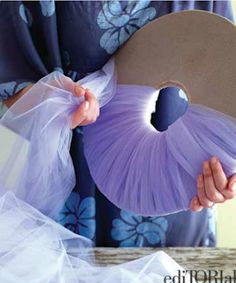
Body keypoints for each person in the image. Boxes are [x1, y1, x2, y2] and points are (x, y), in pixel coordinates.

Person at [0, 0, 235, 247]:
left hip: (179, 189)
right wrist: (53, 101)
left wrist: (227, 173)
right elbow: (10, 75)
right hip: (73, 197)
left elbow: (226, 76)